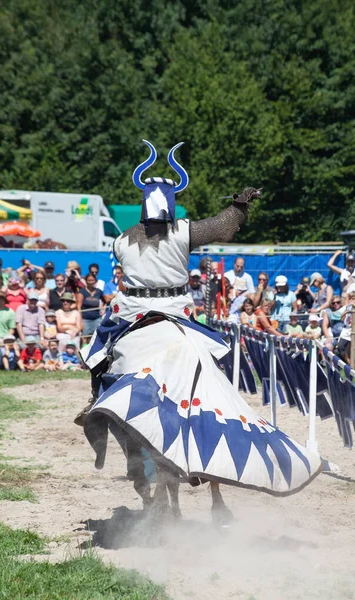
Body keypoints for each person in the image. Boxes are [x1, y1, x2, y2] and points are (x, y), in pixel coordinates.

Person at [78, 140, 321, 512]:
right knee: (209, 354)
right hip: (177, 315)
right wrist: (240, 204)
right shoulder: (183, 232)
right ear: (171, 204)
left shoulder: (120, 240)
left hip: (132, 315)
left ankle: (97, 399)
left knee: (101, 355)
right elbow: (224, 227)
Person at [337, 290, 355, 367]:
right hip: (346, 330)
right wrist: (346, 310)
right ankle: (348, 362)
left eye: (353, 299)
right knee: (340, 347)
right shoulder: (346, 307)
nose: (352, 300)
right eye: (350, 299)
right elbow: (342, 319)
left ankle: (354, 366)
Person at [76, 273, 104, 345]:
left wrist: (103, 309)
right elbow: (78, 306)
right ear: (86, 281)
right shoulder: (82, 291)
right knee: (85, 337)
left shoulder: (99, 291)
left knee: (98, 336)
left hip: (96, 317)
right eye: (89, 280)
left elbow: (104, 301)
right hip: (85, 318)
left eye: (92, 280)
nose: (91, 282)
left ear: (95, 281)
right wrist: (80, 320)